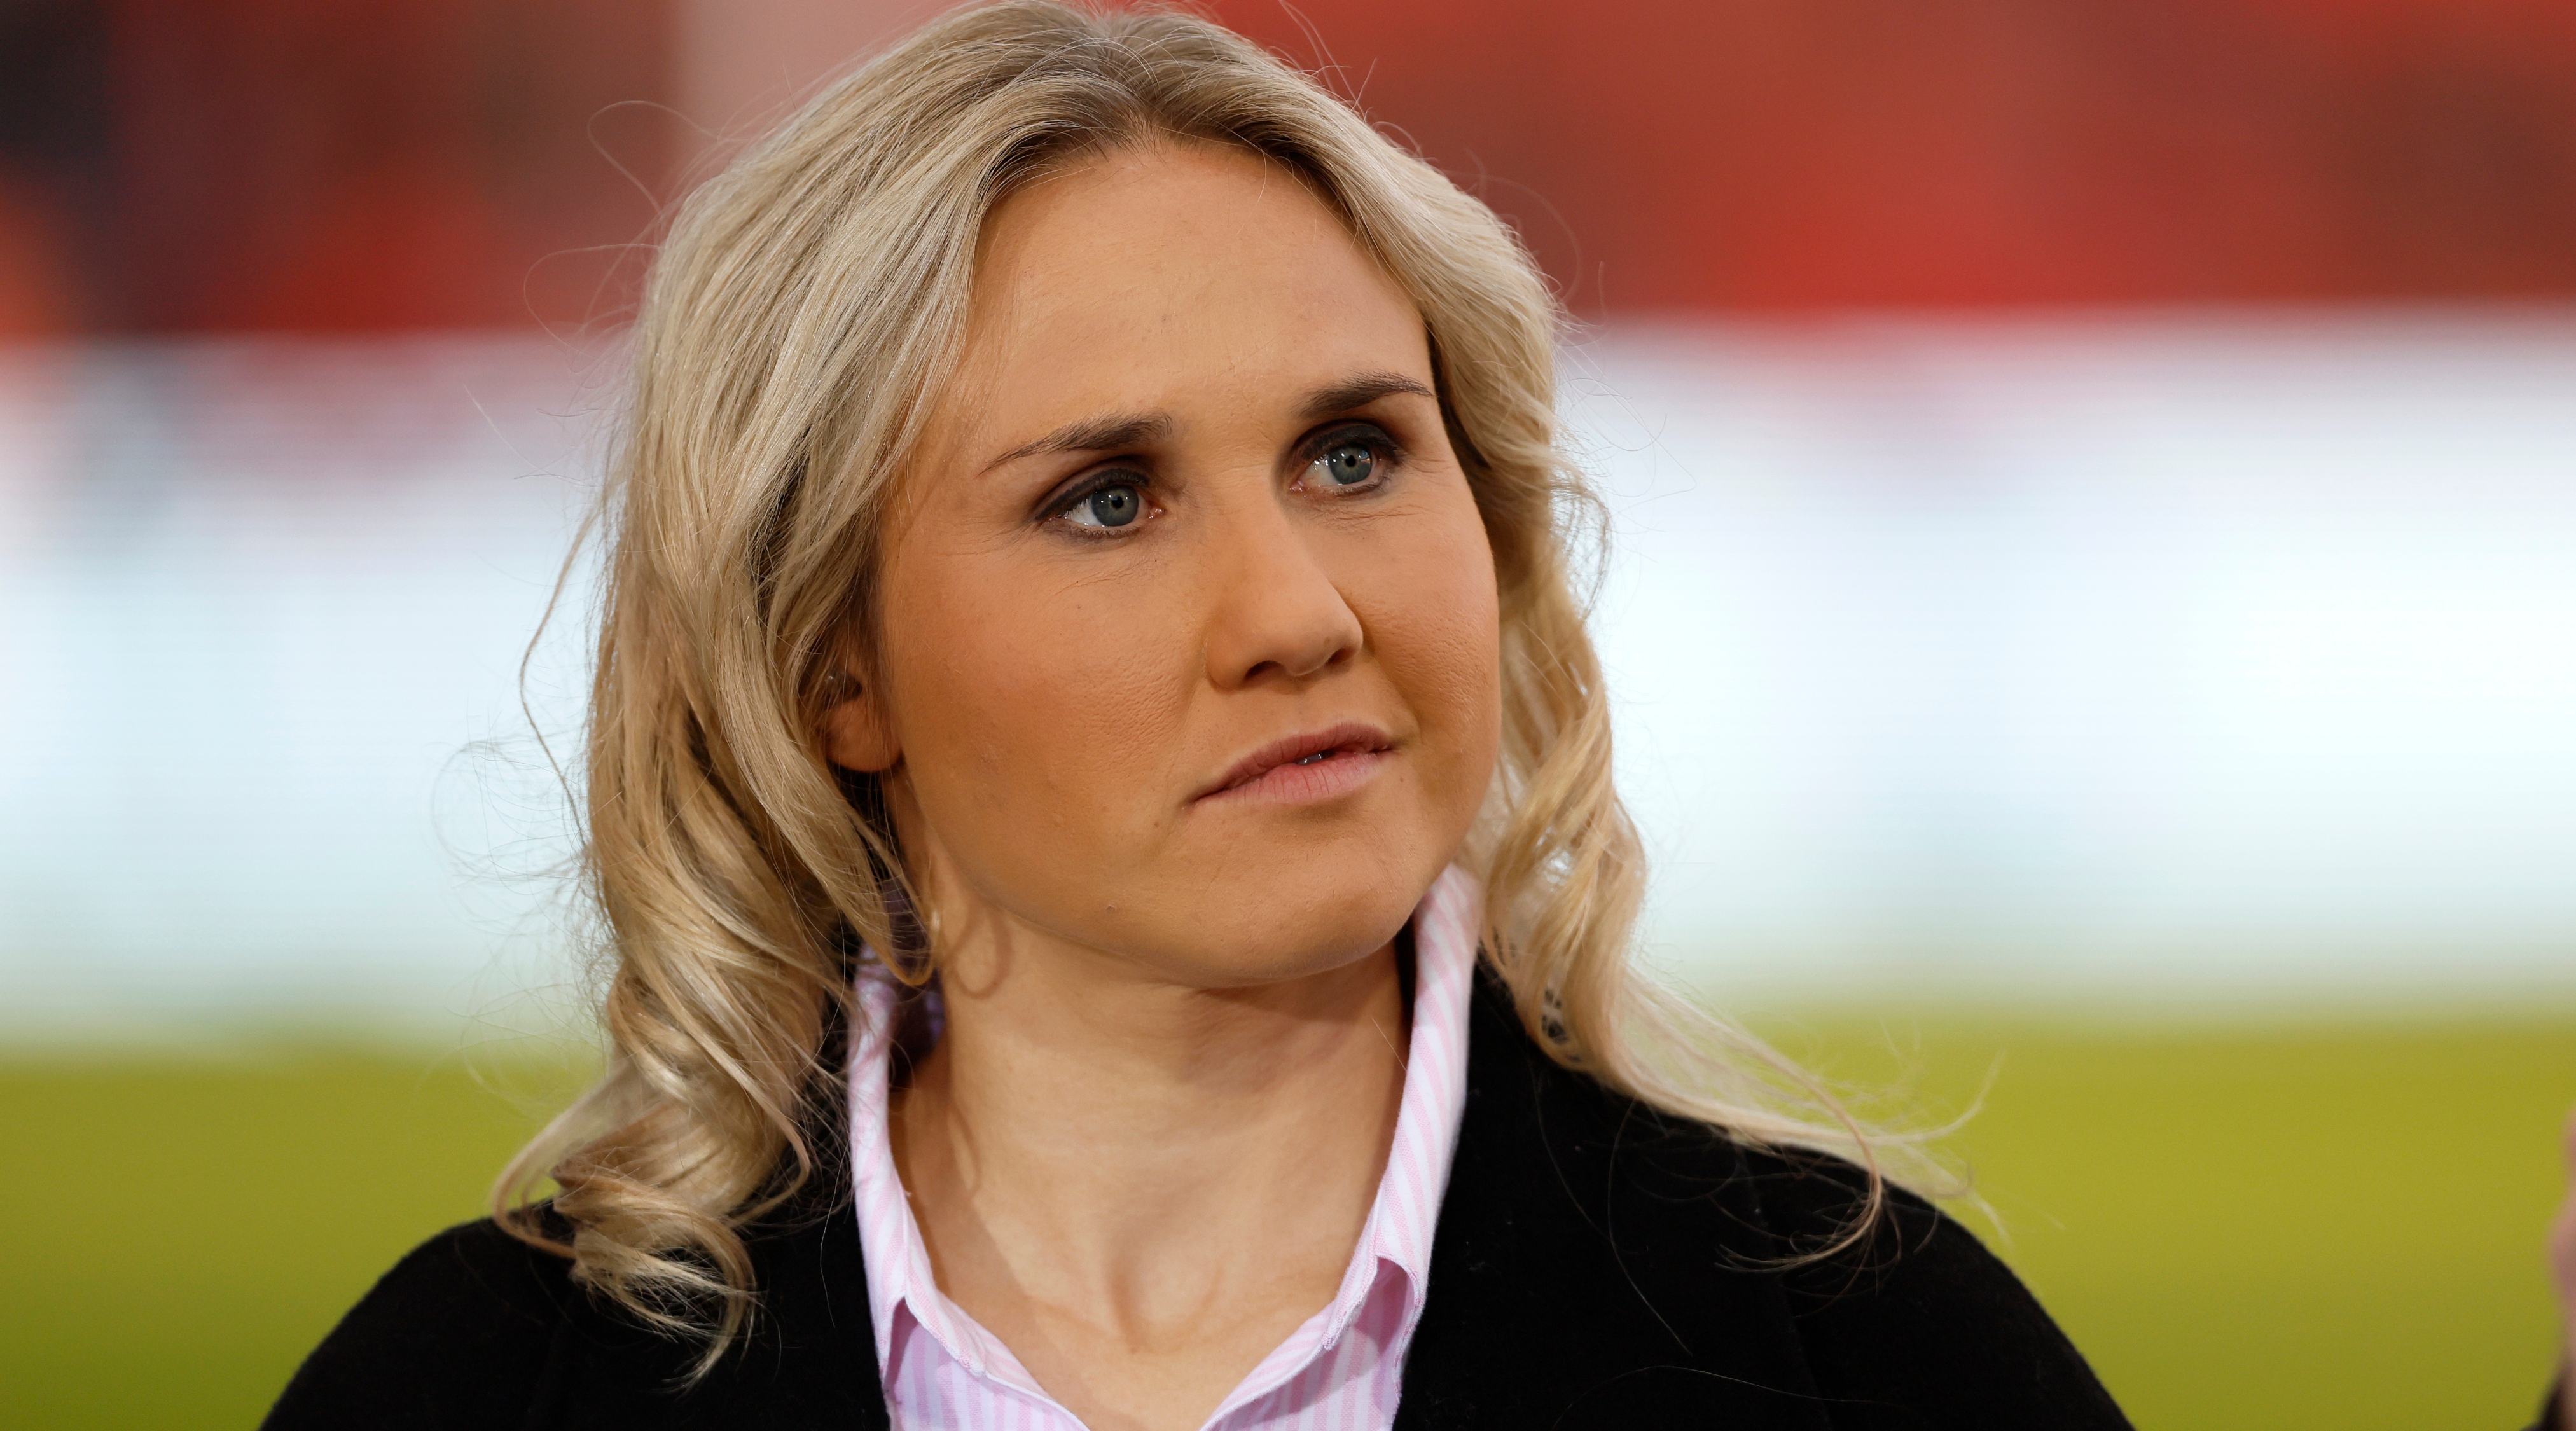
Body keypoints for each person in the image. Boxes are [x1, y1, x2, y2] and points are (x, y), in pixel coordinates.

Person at [266, 4, 2153, 1427]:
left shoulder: (1873, 1363)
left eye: (1352, 454)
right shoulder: (469, 1390)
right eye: (1106, 497)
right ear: (830, 666)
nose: (1296, 611)